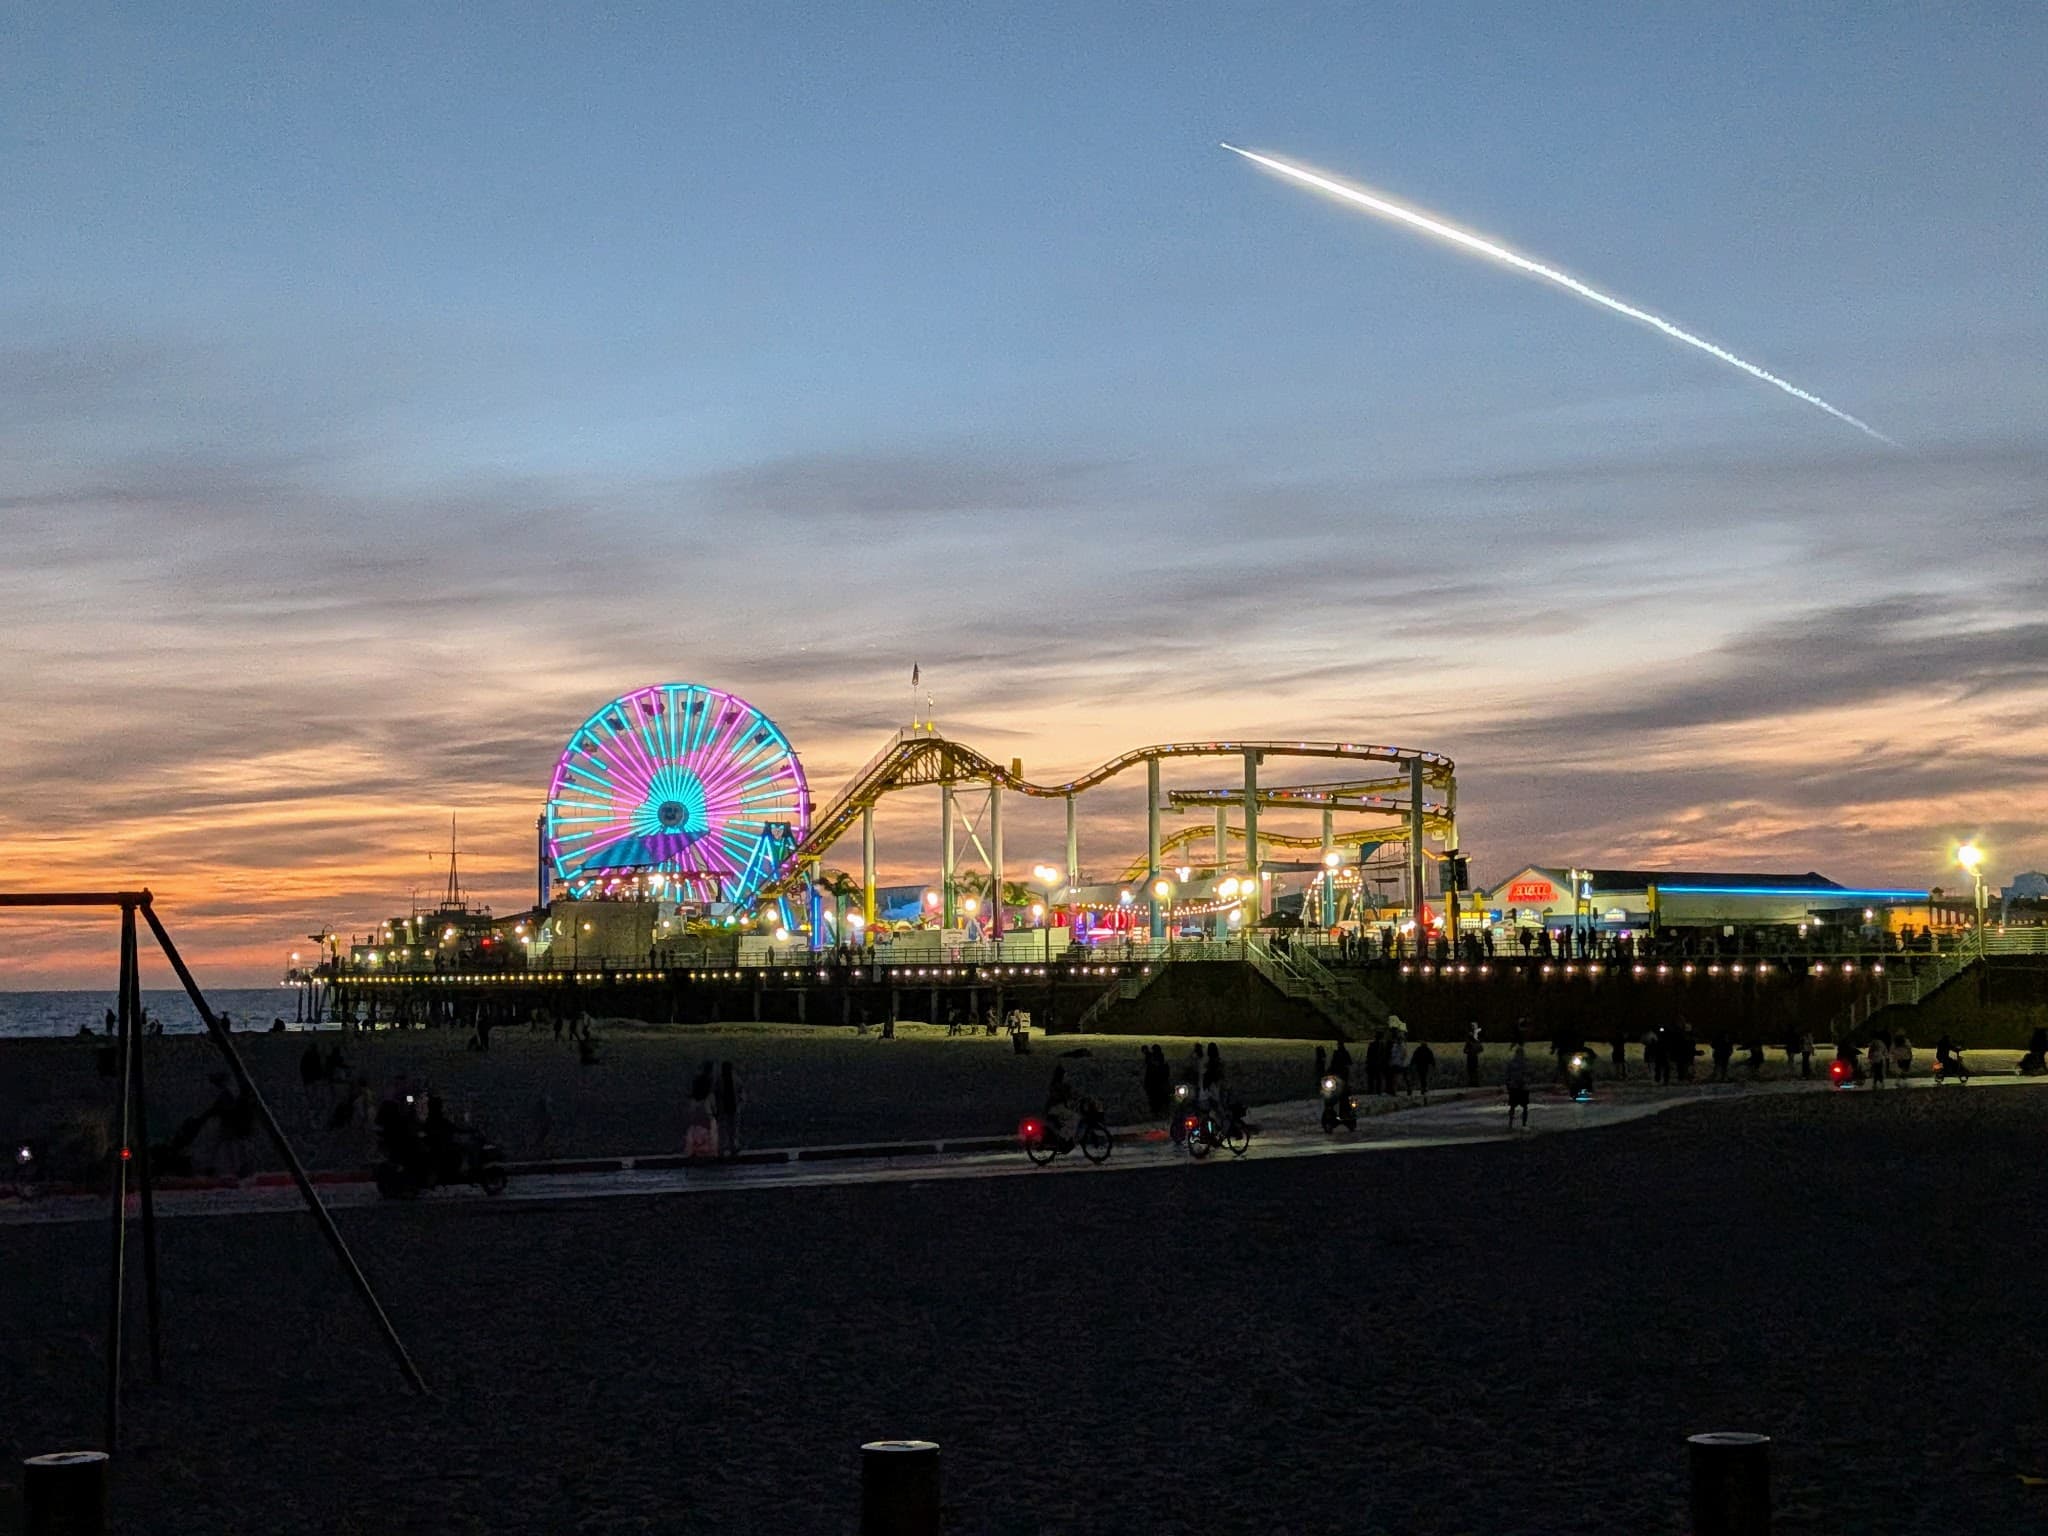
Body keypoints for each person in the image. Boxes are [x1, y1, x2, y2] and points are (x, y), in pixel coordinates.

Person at [685, 1061, 717, 1157]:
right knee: (707, 1126)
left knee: (695, 1127)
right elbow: (710, 1093)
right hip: (704, 1104)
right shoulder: (709, 1080)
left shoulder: (697, 1078)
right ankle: (705, 1149)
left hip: (696, 1103)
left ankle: (694, 1149)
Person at [715, 1062, 743, 1158]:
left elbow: (717, 1093)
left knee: (725, 1129)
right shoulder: (735, 1079)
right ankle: (731, 1147)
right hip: (731, 1106)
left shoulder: (720, 1079)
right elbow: (740, 1091)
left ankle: (724, 1148)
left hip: (726, 1107)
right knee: (732, 1129)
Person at [1504, 1044, 1531, 1128]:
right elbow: (1529, 1074)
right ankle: (1523, 1124)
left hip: (1514, 1087)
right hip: (1522, 1087)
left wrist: (1508, 1085)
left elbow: (1507, 1075)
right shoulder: (1525, 1063)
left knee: (1513, 1106)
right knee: (1524, 1107)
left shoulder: (1512, 1063)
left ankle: (1511, 1123)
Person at [1464, 1021, 1484, 1087]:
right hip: (1471, 1057)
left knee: (1474, 1071)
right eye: (1472, 1026)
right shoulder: (1470, 1039)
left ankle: (1474, 1083)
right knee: (1472, 1071)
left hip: (1473, 1057)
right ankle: (1473, 1083)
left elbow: (1481, 1048)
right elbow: (1465, 1050)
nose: (1472, 1027)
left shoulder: (1476, 1040)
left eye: (1473, 1026)